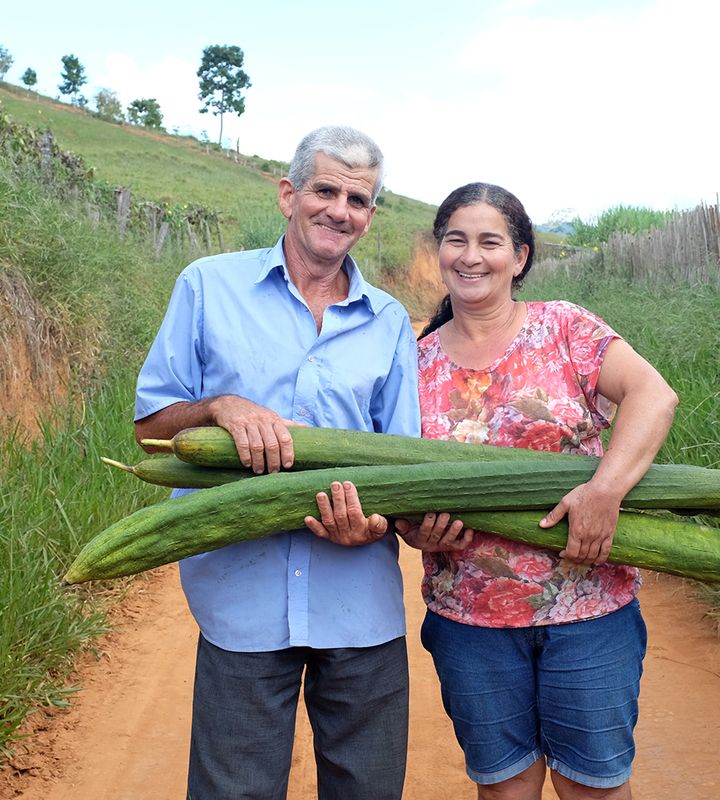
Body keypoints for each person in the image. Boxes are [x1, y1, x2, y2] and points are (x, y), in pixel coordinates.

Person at [310, 182, 678, 800]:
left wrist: (604, 490)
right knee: (504, 789)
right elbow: (394, 475)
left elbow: (653, 396)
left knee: (594, 787)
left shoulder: (565, 328)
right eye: (456, 240)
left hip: (588, 607)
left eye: (491, 241)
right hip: (468, 617)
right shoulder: (413, 360)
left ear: (521, 256)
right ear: (439, 251)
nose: (471, 256)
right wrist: (412, 529)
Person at [133, 125, 420, 800]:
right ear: (289, 194)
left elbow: (403, 470)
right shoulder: (207, 286)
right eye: (325, 190)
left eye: (359, 199)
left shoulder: (389, 322)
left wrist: (376, 524)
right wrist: (217, 407)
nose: (339, 211)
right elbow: (149, 430)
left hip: (361, 610)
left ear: (371, 216)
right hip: (240, 602)